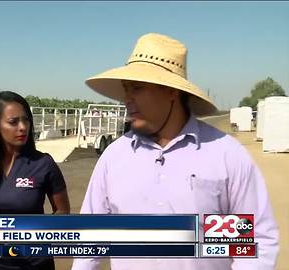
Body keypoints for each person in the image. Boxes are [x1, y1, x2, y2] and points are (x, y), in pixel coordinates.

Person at [72, 33, 279, 270]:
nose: (126, 99)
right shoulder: (113, 157)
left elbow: (255, 242)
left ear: (172, 92)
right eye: (126, 89)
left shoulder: (226, 155)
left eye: (137, 88)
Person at [0, 91, 71, 270]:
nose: (23, 127)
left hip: (34, 264)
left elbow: (62, 211)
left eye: (26, 120)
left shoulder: (43, 164)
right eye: (13, 122)